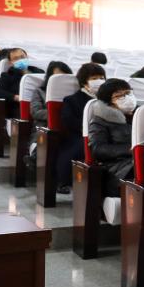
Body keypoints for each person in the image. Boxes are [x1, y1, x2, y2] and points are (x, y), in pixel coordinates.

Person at [58, 63, 107, 192]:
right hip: (80, 135)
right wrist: (89, 130)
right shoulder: (71, 100)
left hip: (105, 134)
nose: (99, 81)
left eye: (102, 78)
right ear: (84, 82)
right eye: (94, 78)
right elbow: (69, 121)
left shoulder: (108, 99)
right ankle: (65, 181)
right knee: (80, 146)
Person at [89, 79, 137, 194]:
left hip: (139, 161)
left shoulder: (141, 114)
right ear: (108, 101)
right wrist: (130, 150)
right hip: (117, 168)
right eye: (119, 96)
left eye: (128, 93)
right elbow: (98, 149)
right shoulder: (100, 121)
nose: (126, 98)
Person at [31, 61, 72, 129]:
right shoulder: (40, 91)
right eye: (57, 77)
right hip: (45, 128)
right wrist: (57, 114)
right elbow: (36, 112)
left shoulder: (73, 91)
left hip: (69, 127)